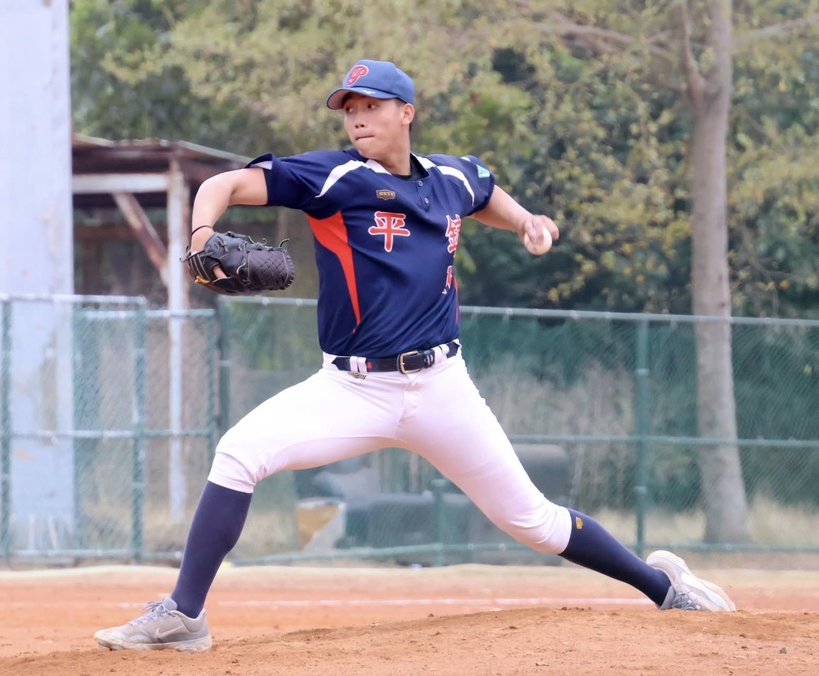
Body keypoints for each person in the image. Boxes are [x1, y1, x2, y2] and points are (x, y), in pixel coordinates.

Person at [94, 59, 735, 653]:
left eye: (371, 106)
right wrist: (202, 234)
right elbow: (225, 182)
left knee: (533, 522)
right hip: (351, 389)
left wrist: (525, 222)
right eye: (349, 110)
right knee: (239, 452)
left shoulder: (450, 177)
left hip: (442, 388)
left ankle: (665, 587)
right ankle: (185, 614)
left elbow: (484, 192)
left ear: (407, 112)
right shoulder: (335, 177)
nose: (357, 119)